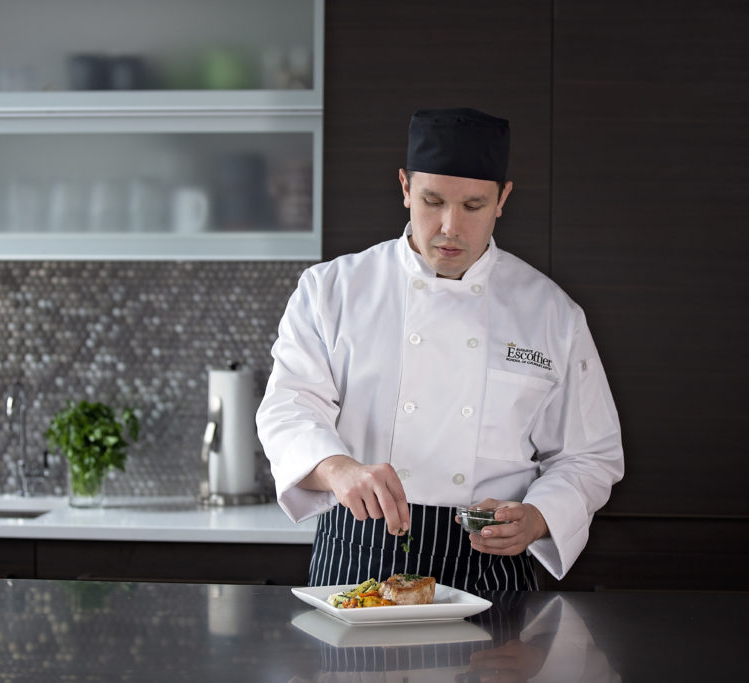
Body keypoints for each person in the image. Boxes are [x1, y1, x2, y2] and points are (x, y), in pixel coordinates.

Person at [256, 107, 624, 592]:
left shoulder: (551, 313)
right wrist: (337, 468)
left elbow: (590, 455)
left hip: (489, 564)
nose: (450, 227)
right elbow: (288, 408)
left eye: (473, 206)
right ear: (405, 187)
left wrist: (536, 517)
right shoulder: (331, 290)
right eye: (432, 201)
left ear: (502, 199)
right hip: (360, 550)